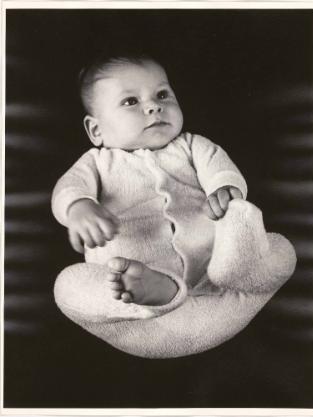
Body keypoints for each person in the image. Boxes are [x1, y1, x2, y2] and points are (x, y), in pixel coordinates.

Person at [51, 54, 296, 357]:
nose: (153, 106)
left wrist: (225, 190)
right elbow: (69, 188)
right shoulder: (97, 163)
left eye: (162, 94)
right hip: (147, 322)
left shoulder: (192, 146)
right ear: (96, 130)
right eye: (130, 102)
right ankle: (151, 292)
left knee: (279, 247)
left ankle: (237, 269)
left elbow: (221, 170)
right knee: (67, 287)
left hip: (219, 287)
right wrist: (79, 208)